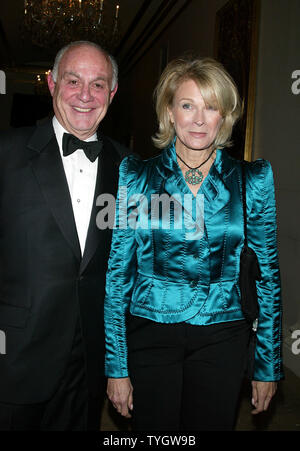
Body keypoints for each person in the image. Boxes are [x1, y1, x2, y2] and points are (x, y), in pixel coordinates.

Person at [104, 56, 283, 431]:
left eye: (211, 107)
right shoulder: (137, 176)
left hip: (224, 335)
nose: (199, 119)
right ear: (170, 112)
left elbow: (267, 277)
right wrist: (116, 367)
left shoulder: (251, 180)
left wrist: (268, 366)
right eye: (188, 105)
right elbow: (118, 275)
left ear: (225, 117)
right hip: (150, 331)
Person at [0, 41, 129, 430]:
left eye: (98, 84)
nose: (85, 95)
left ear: (112, 93)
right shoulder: (6, 152)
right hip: (14, 360)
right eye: (73, 81)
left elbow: (134, 266)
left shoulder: (129, 168)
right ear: (52, 83)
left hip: (87, 365)